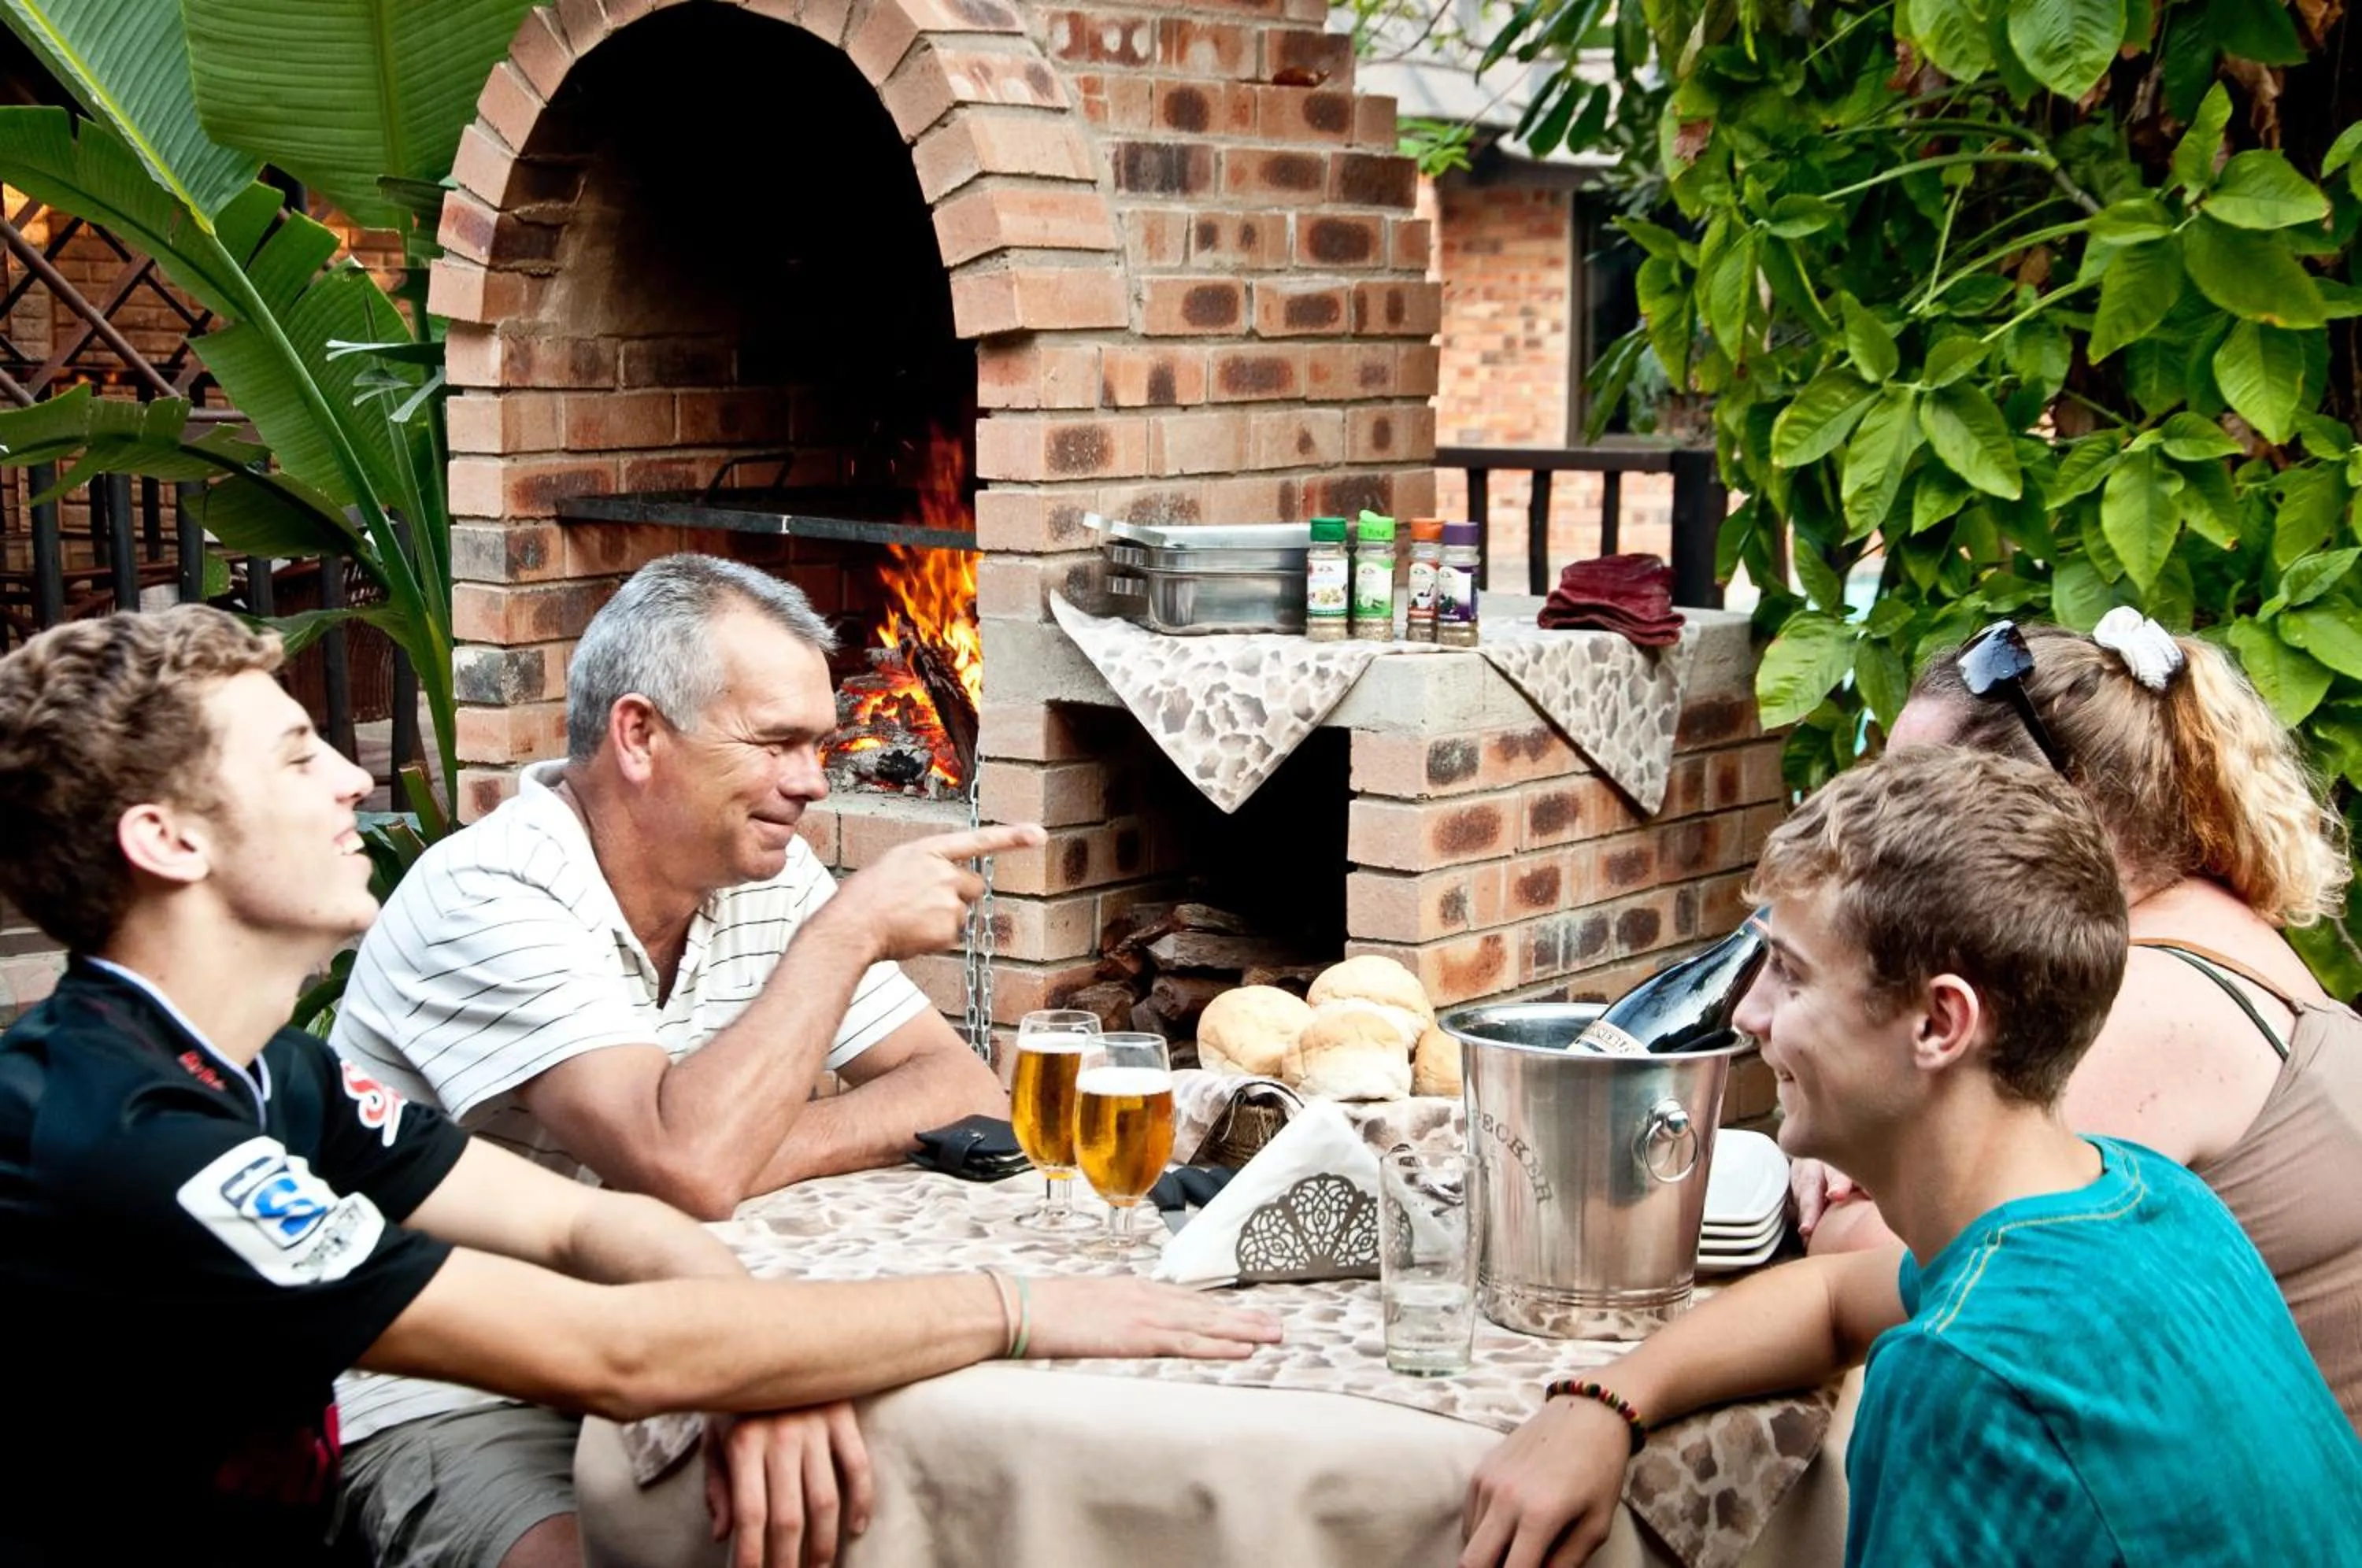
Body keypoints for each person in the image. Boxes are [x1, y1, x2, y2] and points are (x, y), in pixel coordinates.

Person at [0, 606, 1279, 1568]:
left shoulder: (273, 1073)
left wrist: (747, 1355)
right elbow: (616, 1344)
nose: (350, 775)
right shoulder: (133, 1138)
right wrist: (1022, 1305)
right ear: (166, 839)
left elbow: (587, 1223)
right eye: (294, 758)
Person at [1459, 749, 2362, 1568]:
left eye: (1791, 974)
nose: (1747, 1015)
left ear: (1939, 1023)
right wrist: (1605, 1399)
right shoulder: (2146, 1198)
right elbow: (1830, 1298)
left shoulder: (1960, 1372)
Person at [324, 554, 1026, 1567]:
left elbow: (957, 1089)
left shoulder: (760, 874)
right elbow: (690, 1166)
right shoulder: (491, 893)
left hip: (658, 1327)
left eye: (817, 744)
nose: (811, 781)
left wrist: (735, 1149)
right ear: (640, 735)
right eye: (776, 743)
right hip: (455, 1384)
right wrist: (848, 932)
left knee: (877, 1514)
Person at [1797, 612, 2362, 1427]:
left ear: (2059, 813)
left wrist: (1845, 1168)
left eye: (1919, 805)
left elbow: (1929, 1278)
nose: (1882, 850)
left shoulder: (2143, 1003)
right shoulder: (2203, 923)